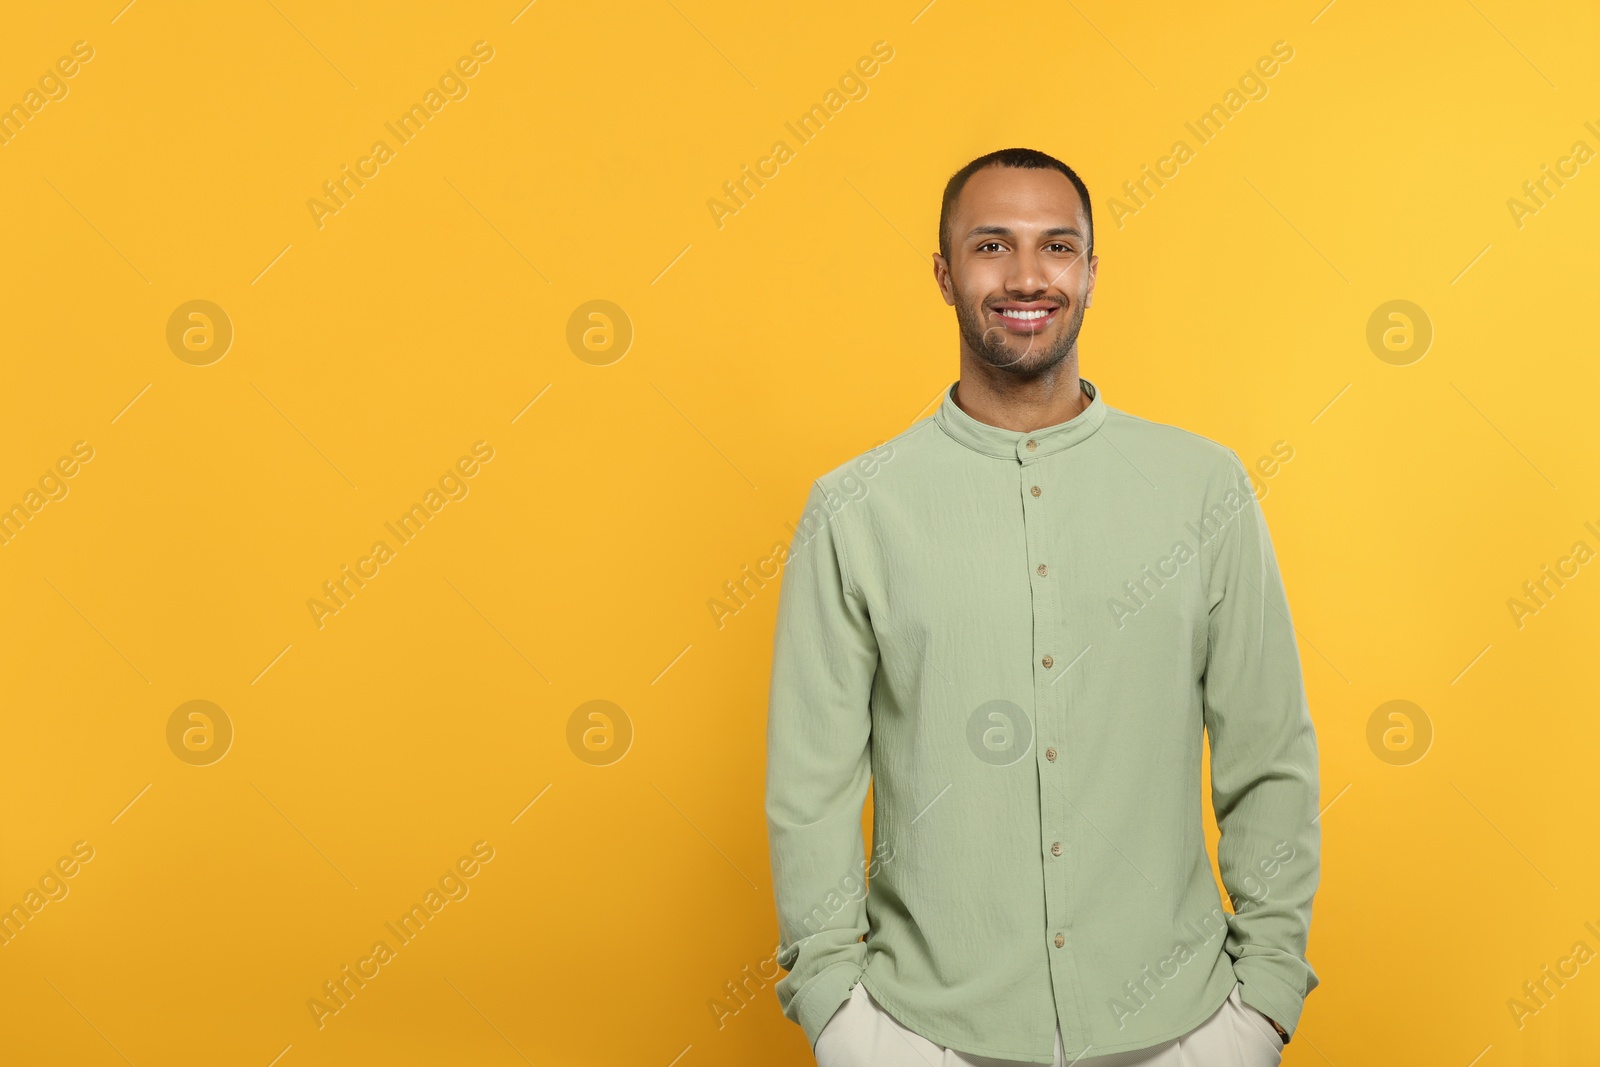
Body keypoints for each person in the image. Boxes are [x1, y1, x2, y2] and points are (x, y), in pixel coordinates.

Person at [764, 147, 1320, 1066]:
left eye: (1057, 247)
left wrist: (1260, 1007)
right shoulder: (855, 508)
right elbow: (810, 789)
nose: (1027, 276)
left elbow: (1271, 755)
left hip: (1181, 1029)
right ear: (944, 275)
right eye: (992, 246)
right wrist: (841, 1018)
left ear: (1092, 274)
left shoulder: (1203, 488)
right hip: (923, 1035)